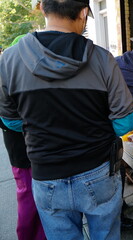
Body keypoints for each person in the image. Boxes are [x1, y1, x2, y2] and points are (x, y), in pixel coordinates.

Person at [0, 0, 133, 239]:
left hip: (46, 173)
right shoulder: (103, 59)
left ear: (42, 7)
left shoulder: (9, 59)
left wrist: (42, 128)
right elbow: (125, 120)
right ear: (84, 13)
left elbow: (9, 119)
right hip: (97, 170)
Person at [0, 35, 46, 240]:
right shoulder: (8, 75)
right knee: (28, 197)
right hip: (21, 150)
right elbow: (8, 119)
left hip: (36, 149)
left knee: (40, 199)